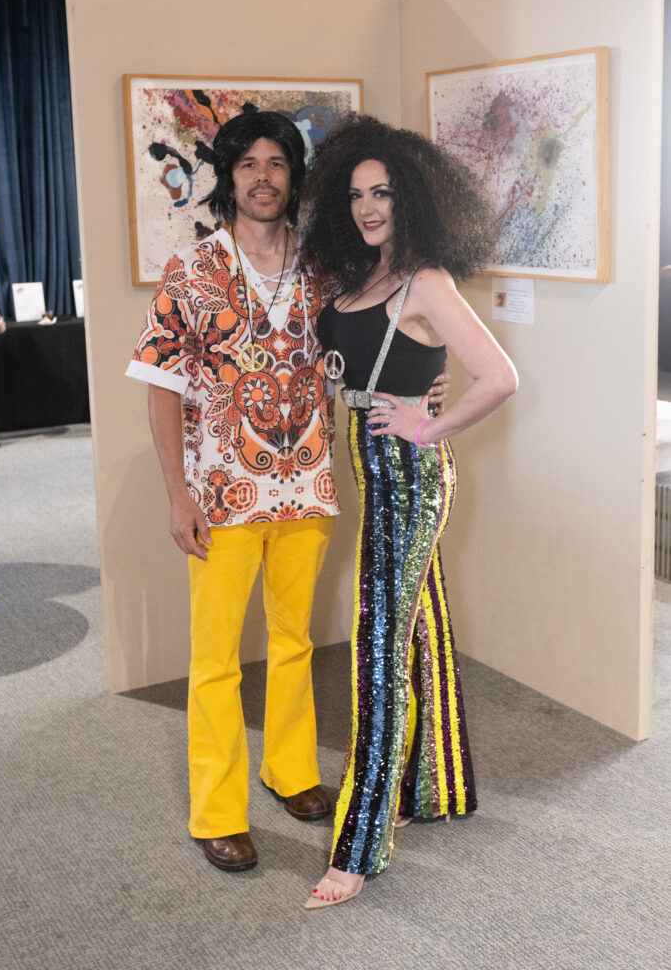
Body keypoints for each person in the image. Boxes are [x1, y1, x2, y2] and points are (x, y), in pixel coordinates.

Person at [126, 109, 448, 873]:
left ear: (293, 178)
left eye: (277, 163)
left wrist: (425, 397)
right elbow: (160, 389)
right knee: (214, 660)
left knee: (295, 641)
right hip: (224, 497)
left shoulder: (323, 269)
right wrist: (179, 494)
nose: (263, 177)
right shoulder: (192, 271)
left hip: (307, 489)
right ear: (227, 178)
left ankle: (291, 770)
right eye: (248, 165)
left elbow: (390, 328)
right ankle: (215, 809)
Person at [300, 114, 518, 908]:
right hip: (371, 464)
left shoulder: (425, 279)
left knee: (378, 649)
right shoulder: (359, 279)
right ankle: (436, 786)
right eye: (355, 194)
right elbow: (344, 362)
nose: (367, 206)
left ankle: (357, 847)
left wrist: (430, 423)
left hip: (407, 476)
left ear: (412, 197)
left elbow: (498, 377)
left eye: (382, 192)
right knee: (416, 623)